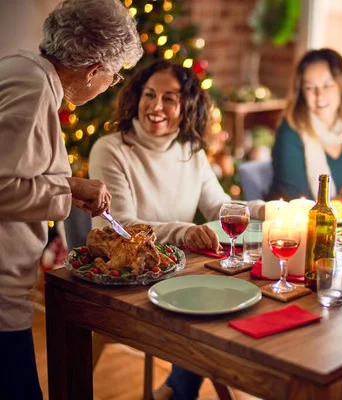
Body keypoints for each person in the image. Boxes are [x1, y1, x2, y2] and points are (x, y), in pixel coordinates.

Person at [89, 60, 265, 400]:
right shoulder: (111, 150)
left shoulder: (191, 150)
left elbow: (219, 207)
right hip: (129, 278)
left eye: (169, 98)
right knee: (207, 308)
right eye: (149, 95)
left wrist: (268, 209)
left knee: (234, 295)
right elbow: (120, 226)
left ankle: (175, 391)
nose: (156, 107)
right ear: (136, 97)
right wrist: (184, 232)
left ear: (187, 107)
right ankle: (178, 392)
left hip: (178, 271)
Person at [0, 0, 142, 398]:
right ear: (93, 69)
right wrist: (71, 188)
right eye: (113, 77)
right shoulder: (33, 89)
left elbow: (18, 170)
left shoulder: (21, 68)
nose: (109, 85)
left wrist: (69, 187)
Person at [268, 48, 342, 200]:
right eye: (310, 88)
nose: (319, 95)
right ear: (301, 92)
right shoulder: (290, 132)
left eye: (327, 85)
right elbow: (297, 202)